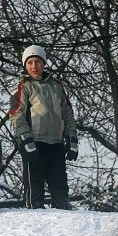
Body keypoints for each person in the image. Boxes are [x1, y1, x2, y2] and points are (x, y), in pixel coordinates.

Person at [8, 45, 78, 210]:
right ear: (25, 66)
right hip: (35, 142)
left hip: (56, 143)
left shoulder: (57, 86)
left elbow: (67, 113)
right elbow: (16, 115)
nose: (34, 66)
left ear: (44, 63)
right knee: (34, 185)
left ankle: (63, 212)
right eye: (30, 62)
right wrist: (25, 139)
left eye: (38, 62)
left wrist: (72, 138)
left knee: (59, 183)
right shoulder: (23, 87)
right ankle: (34, 211)